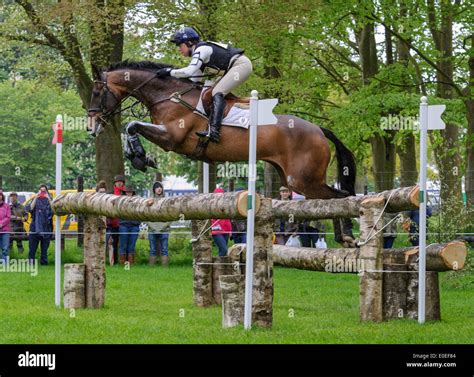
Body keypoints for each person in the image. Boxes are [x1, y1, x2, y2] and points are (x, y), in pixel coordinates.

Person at [157, 26, 253, 143]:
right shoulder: (200, 54)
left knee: (217, 92)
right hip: (233, 67)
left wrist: (168, 72)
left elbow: (188, 71)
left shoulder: (201, 50)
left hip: (241, 65)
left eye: (180, 45)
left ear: (189, 42)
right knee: (208, 91)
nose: (179, 49)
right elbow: (194, 81)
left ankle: (214, 131)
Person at [27, 184, 53, 265]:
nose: (42, 193)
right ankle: (31, 263)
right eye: (41, 191)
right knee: (32, 248)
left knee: (44, 248)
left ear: (47, 191)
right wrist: (35, 197)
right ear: (38, 191)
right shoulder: (35, 199)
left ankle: (44, 262)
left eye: (44, 191)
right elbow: (30, 208)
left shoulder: (49, 200)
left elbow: (54, 210)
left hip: (46, 227)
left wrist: (48, 199)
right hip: (35, 227)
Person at [147, 181, 171, 267]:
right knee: (152, 249)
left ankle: (165, 268)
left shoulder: (167, 201)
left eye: (160, 187)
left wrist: (165, 226)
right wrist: (152, 226)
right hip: (152, 229)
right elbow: (146, 216)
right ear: (154, 189)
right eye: (157, 187)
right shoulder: (149, 201)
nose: (159, 189)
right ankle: (151, 267)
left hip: (164, 229)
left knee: (164, 249)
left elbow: (170, 215)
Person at [106, 175, 126, 265]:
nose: (119, 183)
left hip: (123, 223)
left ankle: (123, 262)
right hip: (112, 222)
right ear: (115, 183)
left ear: (123, 183)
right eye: (117, 182)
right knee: (112, 243)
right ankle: (113, 262)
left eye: (121, 182)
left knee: (122, 243)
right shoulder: (110, 193)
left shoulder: (126, 193)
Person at [119, 186, 140, 264]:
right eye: (127, 192)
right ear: (124, 193)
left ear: (133, 193)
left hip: (134, 226)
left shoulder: (138, 201)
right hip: (123, 225)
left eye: (130, 192)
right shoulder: (120, 201)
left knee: (132, 246)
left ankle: (130, 264)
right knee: (123, 245)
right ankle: (123, 264)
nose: (128, 193)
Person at [211, 188, 232, 256]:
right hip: (216, 231)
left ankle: (220, 265)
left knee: (222, 251)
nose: (219, 196)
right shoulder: (211, 204)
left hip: (225, 230)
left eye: (221, 195)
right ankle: (218, 265)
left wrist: (230, 230)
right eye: (217, 194)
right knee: (224, 249)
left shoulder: (226, 204)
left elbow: (227, 219)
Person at [0, 191, 11, 262]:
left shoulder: (7, 206)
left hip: (5, 230)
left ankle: (4, 263)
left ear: (2, 196)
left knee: (5, 248)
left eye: (0, 195)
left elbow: (8, 217)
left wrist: (1, 224)